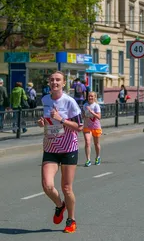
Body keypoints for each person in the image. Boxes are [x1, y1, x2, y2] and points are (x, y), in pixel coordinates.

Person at [37, 71, 83, 233]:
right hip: (50, 147)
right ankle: (59, 205)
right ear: (49, 83)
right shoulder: (45, 99)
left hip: (68, 147)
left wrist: (61, 119)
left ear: (64, 83)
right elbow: (47, 121)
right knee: (47, 185)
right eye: (52, 80)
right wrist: (42, 123)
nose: (54, 82)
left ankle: (71, 220)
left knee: (66, 188)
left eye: (58, 80)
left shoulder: (70, 102)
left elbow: (80, 127)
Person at [83, 92, 102, 166]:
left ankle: (98, 157)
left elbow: (99, 117)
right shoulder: (85, 105)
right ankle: (88, 160)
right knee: (87, 142)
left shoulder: (96, 106)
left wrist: (91, 112)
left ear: (94, 97)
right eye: (89, 96)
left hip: (96, 126)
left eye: (91, 96)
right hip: (87, 126)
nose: (90, 97)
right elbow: (83, 115)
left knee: (96, 143)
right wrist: (83, 115)